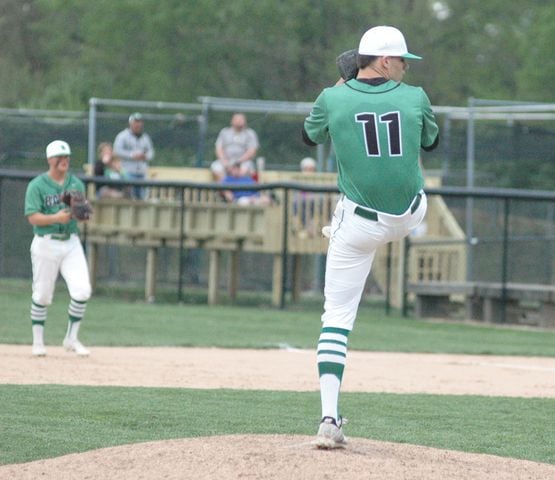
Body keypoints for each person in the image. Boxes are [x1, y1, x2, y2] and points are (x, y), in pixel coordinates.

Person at [302, 25, 439, 448]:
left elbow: (308, 136)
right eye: (401, 61)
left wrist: (341, 86)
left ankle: (329, 419)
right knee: (413, 189)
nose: (405, 68)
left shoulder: (332, 97)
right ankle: (330, 419)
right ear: (383, 60)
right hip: (411, 213)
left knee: (337, 318)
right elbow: (431, 143)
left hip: (359, 223)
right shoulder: (415, 98)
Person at [24, 140, 93, 357]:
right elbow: (33, 217)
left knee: (82, 290)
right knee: (43, 295)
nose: (64, 160)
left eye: (67, 157)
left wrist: (83, 215)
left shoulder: (76, 184)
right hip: (46, 242)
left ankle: (71, 339)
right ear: (49, 159)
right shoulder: (37, 185)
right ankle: (38, 342)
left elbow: (82, 215)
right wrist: (56, 216)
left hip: (71, 242)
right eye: (59, 157)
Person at [113, 112, 155, 199]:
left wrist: (145, 156)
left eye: (139, 122)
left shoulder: (145, 138)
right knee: (130, 197)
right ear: (131, 123)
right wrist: (132, 155)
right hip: (127, 172)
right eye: (136, 122)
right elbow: (117, 151)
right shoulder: (122, 136)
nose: (138, 124)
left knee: (142, 198)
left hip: (142, 173)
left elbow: (151, 153)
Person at [211, 113, 259, 178]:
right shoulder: (224, 132)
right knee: (216, 167)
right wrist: (226, 163)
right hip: (226, 161)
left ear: (245, 121)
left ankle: (241, 187)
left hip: (243, 162)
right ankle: (225, 187)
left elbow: (252, 151)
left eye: (241, 119)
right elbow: (219, 149)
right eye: (236, 119)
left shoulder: (250, 133)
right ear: (232, 121)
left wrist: (238, 163)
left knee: (247, 168)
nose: (239, 121)